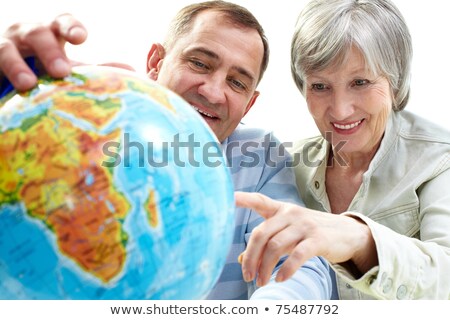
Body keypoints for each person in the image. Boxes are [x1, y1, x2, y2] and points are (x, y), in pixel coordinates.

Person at [0, 1, 332, 299]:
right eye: (200, 63)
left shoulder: (260, 156)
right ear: (156, 62)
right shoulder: (71, 123)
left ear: (249, 104)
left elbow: (301, 264)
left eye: (237, 82)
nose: (214, 93)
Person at [237, 0, 450, 299]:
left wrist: (361, 241)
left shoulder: (440, 159)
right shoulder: (287, 166)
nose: (340, 109)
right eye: (320, 86)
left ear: (396, 80)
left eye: (360, 82)